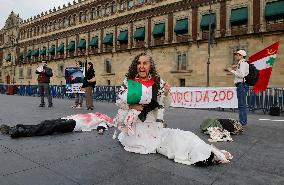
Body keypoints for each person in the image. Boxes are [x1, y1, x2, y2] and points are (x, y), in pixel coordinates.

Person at [114, 53, 232, 166]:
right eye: (139, 63)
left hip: (154, 127)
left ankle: (209, 153)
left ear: (150, 66)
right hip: (135, 129)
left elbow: (166, 104)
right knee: (171, 145)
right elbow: (119, 101)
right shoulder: (129, 81)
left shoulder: (158, 81)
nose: (141, 66)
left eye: (145, 63)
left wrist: (165, 93)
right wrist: (132, 106)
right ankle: (202, 156)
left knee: (186, 136)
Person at [0, 112, 114, 138]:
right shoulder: (91, 114)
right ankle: (19, 127)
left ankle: (22, 133)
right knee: (46, 123)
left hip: (74, 125)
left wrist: (100, 130)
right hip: (68, 118)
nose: (101, 115)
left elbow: (101, 127)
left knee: (51, 128)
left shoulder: (102, 121)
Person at [227, 50, 249, 126]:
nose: (236, 56)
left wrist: (232, 71)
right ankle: (242, 121)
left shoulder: (242, 63)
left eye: (237, 55)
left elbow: (242, 75)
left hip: (241, 85)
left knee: (242, 105)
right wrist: (236, 68)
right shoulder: (241, 63)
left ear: (241, 56)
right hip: (242, 85)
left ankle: (242, 122)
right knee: (241, 104)